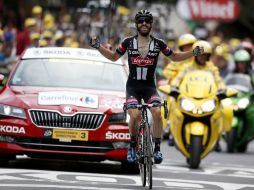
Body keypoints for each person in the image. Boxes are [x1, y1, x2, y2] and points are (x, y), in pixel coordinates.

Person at [90, 10, 203, 164]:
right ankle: (132, 146)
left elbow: (175, 57)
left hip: (150, 88)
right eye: (141, 21)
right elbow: (113, 57)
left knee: (157, 112)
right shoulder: (128, 42)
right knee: (135, 116)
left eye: (147, 21)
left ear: (151, 24)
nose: (144, 23)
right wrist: (98, 46)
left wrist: (193, 53)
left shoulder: (159, 43)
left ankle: (157, 148)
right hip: (133, 88)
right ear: (136, 24)